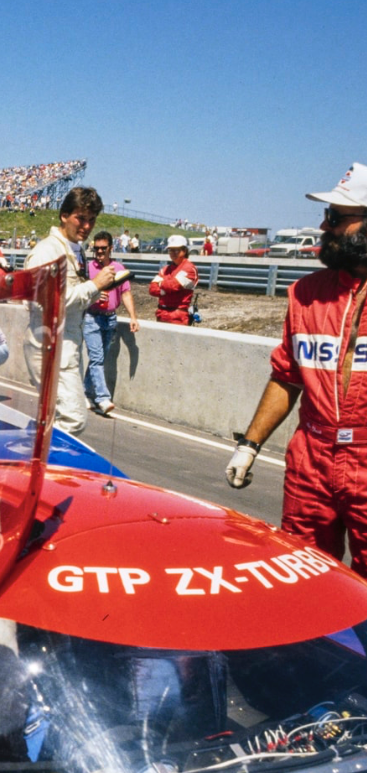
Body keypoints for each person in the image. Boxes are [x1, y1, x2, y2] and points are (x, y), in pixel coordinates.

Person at [225, 162, 367, 578]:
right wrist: (249, 446)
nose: (325, 227)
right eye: (327, 216)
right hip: (312, 460)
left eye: (337, 218)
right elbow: (286, 376)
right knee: (303, 574)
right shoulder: (305, 294)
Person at [23, 187, 117, 434]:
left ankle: (34, 460)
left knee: (52, 420)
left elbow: (72, 297)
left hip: (66, 348)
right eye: (81, 218)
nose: (87, 226)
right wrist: (94, 286)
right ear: (64, 215)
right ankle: (42, 466)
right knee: (73, 418)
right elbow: (41, 302)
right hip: (49, 348)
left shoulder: (75, 249)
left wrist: (96, 291)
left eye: (92, 220)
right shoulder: (47, 252)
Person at [83, 231, 138, 415]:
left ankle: (85, 392)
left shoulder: (118, 267)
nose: (99, 252)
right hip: (91, 316)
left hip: (110, 318)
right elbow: (80, 291)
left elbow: (125, 293)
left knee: (98, 359)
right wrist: (94, 294)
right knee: (97, 358)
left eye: (103, 248)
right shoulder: (88, 268)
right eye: (96, 248)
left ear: (110, 248)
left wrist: (133, 316)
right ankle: (102, 398)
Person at [149, 234, 198, 324]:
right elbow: (152, 289)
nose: (173, 253)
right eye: (170, 250)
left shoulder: (190, 269)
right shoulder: (166, 268)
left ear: (184, 250)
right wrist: (163, 289)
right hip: (161, 314)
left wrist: (160, 283)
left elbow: (172, 286)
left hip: (178, 316)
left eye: (176, 250)